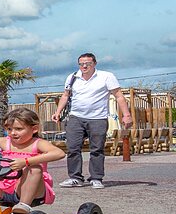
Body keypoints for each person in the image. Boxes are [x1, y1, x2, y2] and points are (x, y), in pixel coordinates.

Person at [54, 52, 133, 189]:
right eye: (81, 64)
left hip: (98, 118)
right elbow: (65, 95)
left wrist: (126, 115)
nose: (84, 66)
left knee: (97, 149)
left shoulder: (106, 76)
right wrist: (58, 111)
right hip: (76, 117)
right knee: (73, 148)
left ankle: (96, 178)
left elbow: (119, 96)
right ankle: (75, 177)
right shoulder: (72, 77)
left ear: (94, 64)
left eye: (88, 64)